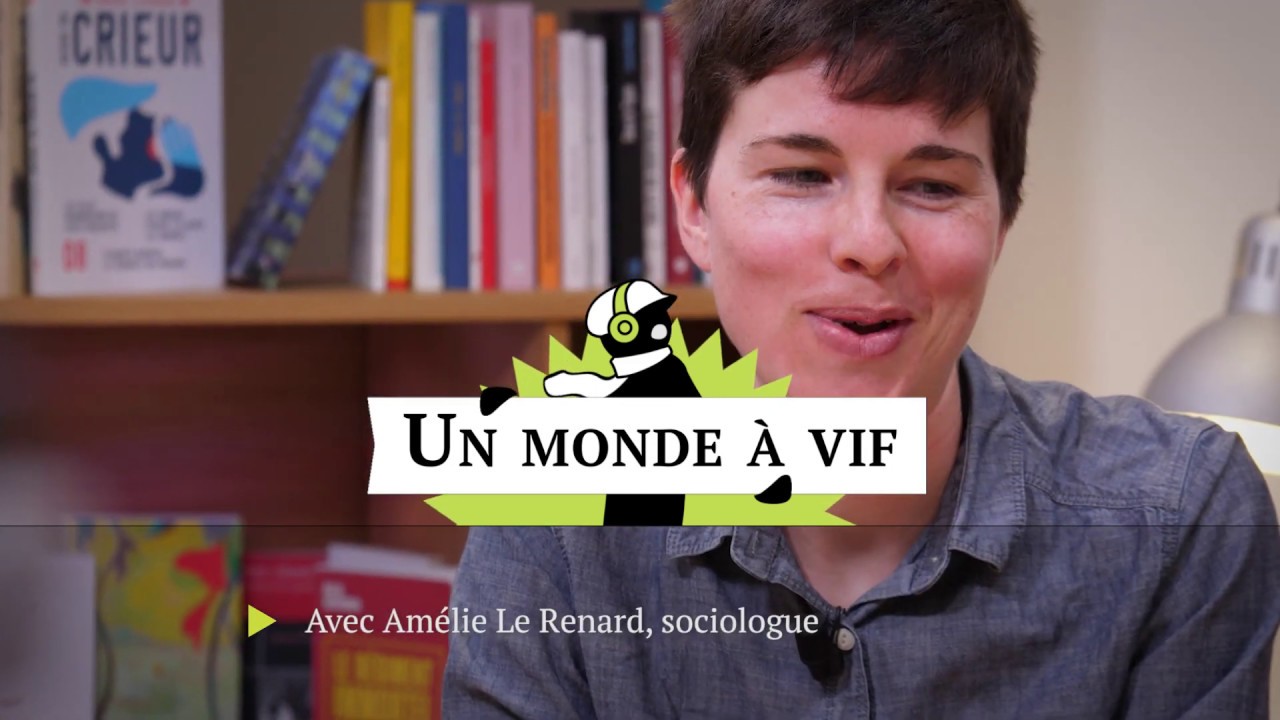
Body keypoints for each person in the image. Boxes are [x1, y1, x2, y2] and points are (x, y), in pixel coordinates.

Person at [442, 0, 1280, 717]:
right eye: (802, 175)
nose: (870, 244)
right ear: (693, 206)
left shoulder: (1179, 520)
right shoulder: (552, 519)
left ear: (1003, 221)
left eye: (934, 186)